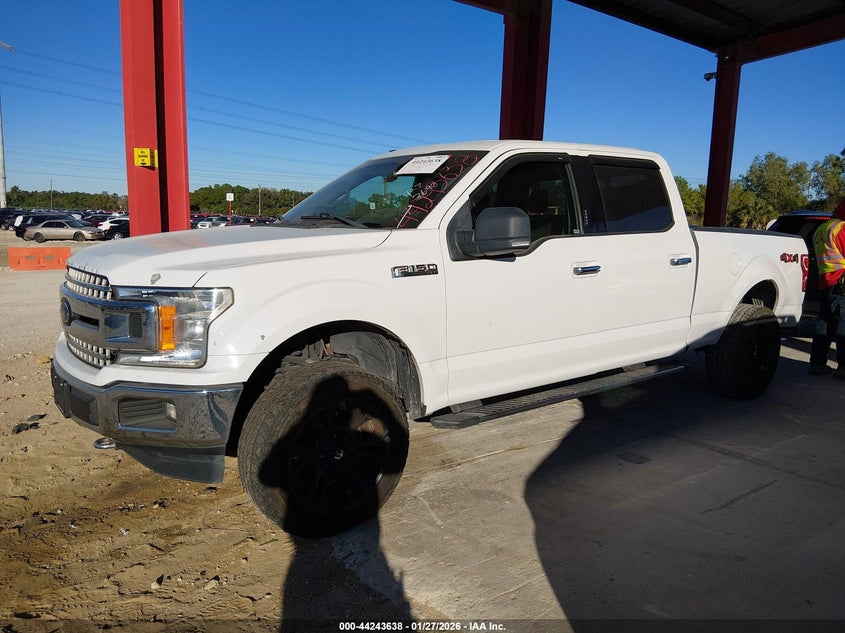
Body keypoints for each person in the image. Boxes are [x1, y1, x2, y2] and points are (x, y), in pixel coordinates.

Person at [809, 198, 845, 377]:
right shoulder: (842, 228)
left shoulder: (822, 228)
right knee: (842, 325)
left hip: (826, 282)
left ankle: (817, 363)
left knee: (824, 323)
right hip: (841, 282)